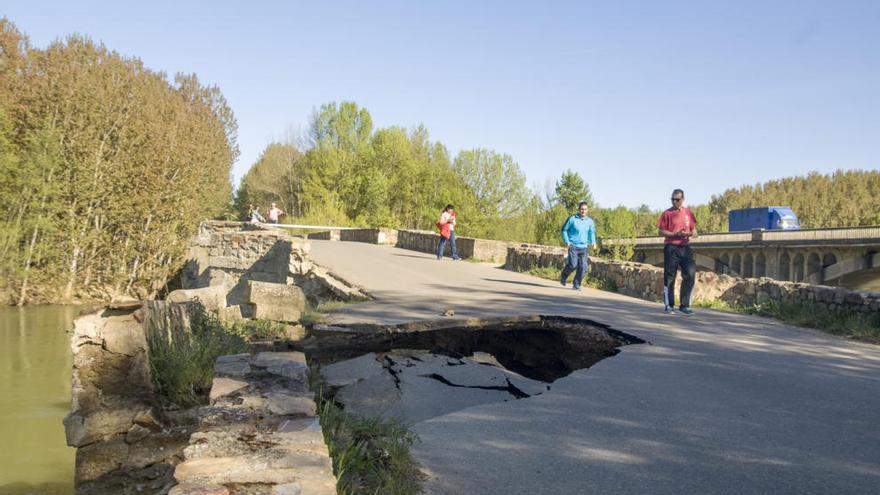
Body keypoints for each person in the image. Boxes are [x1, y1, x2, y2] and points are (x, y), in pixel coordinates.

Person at [657, 188, 698, 315]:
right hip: (671, 247)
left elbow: (695, 232)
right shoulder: (667, 214)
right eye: (672, 199)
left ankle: (685, 305)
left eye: (677, 200)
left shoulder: (688, 213)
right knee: (670, 277)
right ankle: (669, 305)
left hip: (685, 247)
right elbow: (661, 231)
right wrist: (676, 234)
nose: (675, 202)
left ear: (683, 200)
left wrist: (689, 233)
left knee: (690, 274)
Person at [560, 201, 597, 290]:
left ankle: (576, 284)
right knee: (573, 265)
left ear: (587, 210)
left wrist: (593, 242)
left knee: (583, 267)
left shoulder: (590, 221)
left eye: (585, 209)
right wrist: (567, 242)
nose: (583, 211)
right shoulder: (572, 219)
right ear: (578, 209)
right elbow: (564, 230)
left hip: (584, 247)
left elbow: (592, 233)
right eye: (581, 209)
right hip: (573, 246)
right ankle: (563, 276)